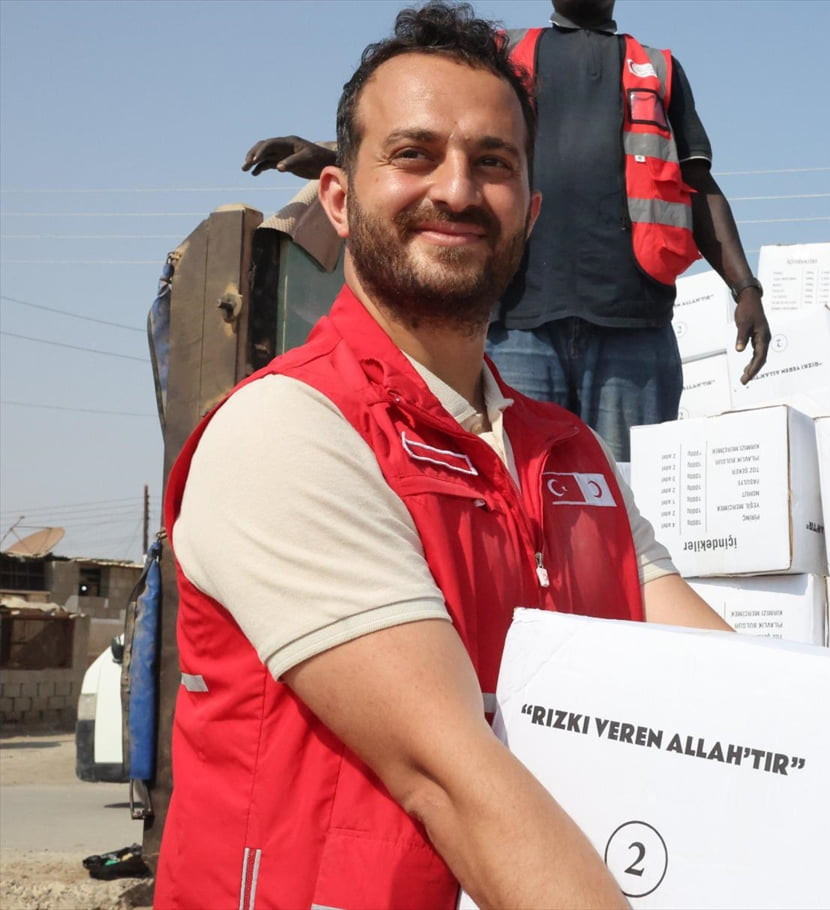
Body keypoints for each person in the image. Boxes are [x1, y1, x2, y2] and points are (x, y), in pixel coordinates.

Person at [157, 3, 729, 908]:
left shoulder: (566, 452)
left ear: (529, 211)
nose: (458, 192)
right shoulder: (290, 429)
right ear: (339, 200)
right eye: (414, 154)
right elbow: (447, 775)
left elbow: (722, 687)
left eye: (493, 164)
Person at [244, 0, 770, 461]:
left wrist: (745, 287)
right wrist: (331, 155)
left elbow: (698, 185)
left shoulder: (659, 70)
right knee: (512, 490)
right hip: (516, 324)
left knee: (630, 509)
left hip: (634, 326)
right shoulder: (502, 56)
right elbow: (426, 137)